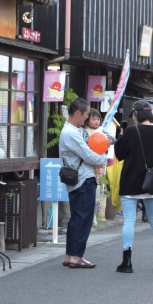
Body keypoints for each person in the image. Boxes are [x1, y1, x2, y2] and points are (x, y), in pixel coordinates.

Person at [114, 100, 153, 273]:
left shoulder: (131, 131)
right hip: (152, 182)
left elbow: (120, 155)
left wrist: (121, 137)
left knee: (129, 221)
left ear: (136, 114)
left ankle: (127, 262)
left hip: (130, 182)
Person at [60, 98, 110, 269]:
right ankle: (76, 256)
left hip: (78, 179)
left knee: (76, 218)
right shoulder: (72, 133)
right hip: (83, 179)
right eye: (87, 114)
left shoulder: (73, 130)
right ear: (78, 113)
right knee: (83, 218)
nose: (88, 118)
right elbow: (89, 155)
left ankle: (70, 255)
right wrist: (104, 158)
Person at [84, 109, 116, 226]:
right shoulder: (84, 132)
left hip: (100, 162)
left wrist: (109, 141)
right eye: (94, 119)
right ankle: (92, 216)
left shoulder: (102, 131)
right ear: (87, 121)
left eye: (98, 119)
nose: (96, 121)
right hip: (88, 162)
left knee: (99, 187)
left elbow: (113, 139)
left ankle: (96, 215)